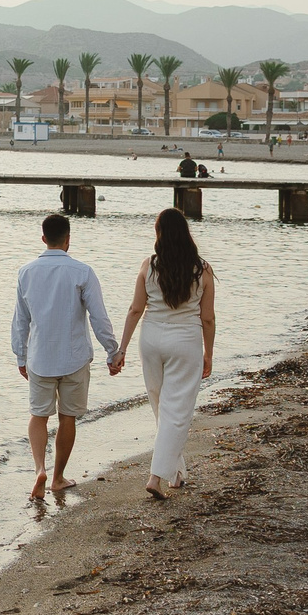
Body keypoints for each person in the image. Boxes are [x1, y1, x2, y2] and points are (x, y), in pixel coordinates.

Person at [11, 212, 118, 498]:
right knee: (67, 417)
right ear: (68, 240)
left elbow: (20, 320)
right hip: (74, 358)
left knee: (38, 416)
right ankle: (57, 477)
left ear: (43, 238)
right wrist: (112, 351)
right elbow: (98, 317)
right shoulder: (82, 272)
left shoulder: (26, 272)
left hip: (40, 357)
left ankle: (39, 470)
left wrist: (20, 355)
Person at [113, 208, 216, 499]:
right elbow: (208, 318)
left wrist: (122, 349)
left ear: (159, 234)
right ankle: (155, 476)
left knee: (162, 407)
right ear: (186, 233)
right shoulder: (202, 269)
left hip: (151, 339)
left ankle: (176, 473)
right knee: (176, 412)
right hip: (185, 340)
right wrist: (209, 353)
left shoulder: (149, 265)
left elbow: (135, 309)